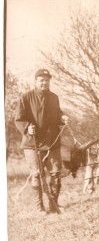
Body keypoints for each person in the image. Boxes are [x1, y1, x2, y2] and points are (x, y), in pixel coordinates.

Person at [15, 69, 69, 214]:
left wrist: (62, 118)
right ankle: (39, 208)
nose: (45, 82)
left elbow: (57, 114)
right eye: (41, 80)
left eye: (47, 80)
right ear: (35, 81)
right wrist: (27, 129)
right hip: (33, 143)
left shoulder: (54, 97)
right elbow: (19, 118)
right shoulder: (26, 97)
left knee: (56, 174)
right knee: (37, 175)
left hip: (52, 142)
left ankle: (53, 205)